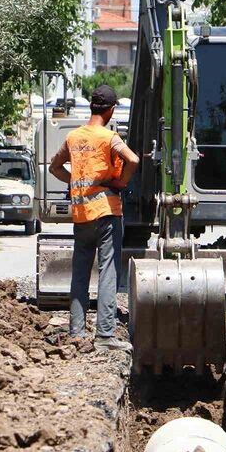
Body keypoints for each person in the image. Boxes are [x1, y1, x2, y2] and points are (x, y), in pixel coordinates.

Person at [49, 85, 140, 351]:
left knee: (80, 272)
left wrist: (74, 180)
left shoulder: (74, 137)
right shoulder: (108, 137)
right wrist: (120, 182)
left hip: (82, 215)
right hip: (106, 213)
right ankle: (105, 335)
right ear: (111, 110)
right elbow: (132, 160)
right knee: (108, 270)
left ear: (92, 107)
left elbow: (56, 167)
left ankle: (76, 332)